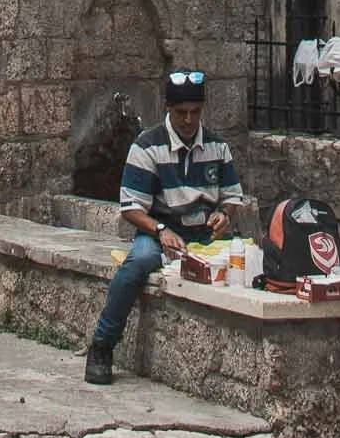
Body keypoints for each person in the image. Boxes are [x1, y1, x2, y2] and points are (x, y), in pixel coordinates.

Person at [83, 69, 246, 384]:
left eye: (195, 112)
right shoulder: (147, 147)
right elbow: (131, 207)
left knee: (246, 261)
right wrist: (160, 230)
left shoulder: (217, 147)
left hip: (203, 233)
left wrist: (224, 214)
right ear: (168, 108)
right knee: (138, 263)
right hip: (158, 232)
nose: (188, 120)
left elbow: (232, 197)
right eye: (181, 112)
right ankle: (102, 345)